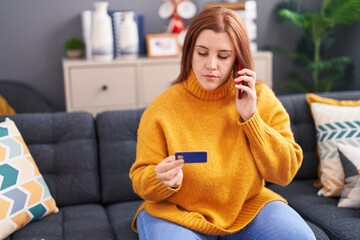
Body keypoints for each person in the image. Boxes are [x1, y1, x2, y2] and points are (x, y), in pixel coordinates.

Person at [129, 6, 316, 240]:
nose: (211, 65)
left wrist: (251, 119)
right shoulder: (161, 108)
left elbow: (284, 173)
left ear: (238, 59)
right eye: (202, 53)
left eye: (223, 56)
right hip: (175, 214)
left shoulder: (261, 99)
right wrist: (159, 178)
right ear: (189, 53)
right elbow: (140, 181)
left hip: (247, 209)